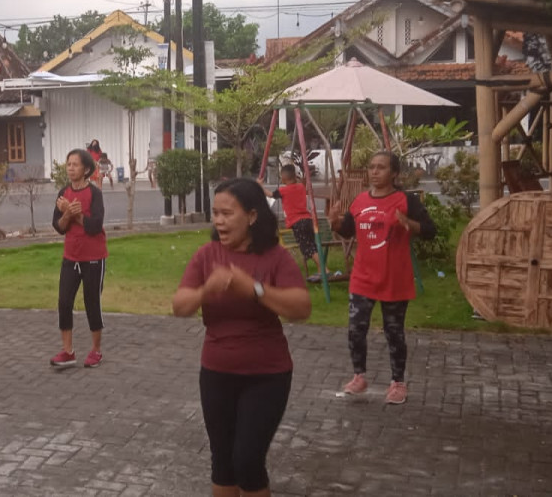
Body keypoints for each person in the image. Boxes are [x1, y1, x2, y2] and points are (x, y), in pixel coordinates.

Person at [172, 178, 311, 497]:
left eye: (227, 213)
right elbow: (180, 306)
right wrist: (207, 289)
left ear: (251, 216)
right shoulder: (207, 256)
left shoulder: (274, 257)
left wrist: (254, 289)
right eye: (215, 213)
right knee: (223, 463)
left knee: (248, 460)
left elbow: (301, 307)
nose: (219, 221)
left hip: (267, 375)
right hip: (217, 372)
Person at [328, 151, 436, 405]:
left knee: (394, 332)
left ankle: (397, 383)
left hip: (394, 278)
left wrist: (411, 223)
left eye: (381, 167)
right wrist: (334, 223)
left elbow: (431, 230)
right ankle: (359, 377)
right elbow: (349, 230)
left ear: (394, 173)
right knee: (356, 330)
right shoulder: (360, 201)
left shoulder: (405, 200)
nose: (374, 172)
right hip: (363, 278)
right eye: (371, 167)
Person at [50, 149, 107, 369]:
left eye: (75, 164)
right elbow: (59, 227)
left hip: (93, 257)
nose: (71, 168)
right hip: (70, 256)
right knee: (64, 302)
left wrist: (76, 214)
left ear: (86, 169)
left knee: (92, 302)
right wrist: (66, 214)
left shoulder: (94, 194)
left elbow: (94, 227)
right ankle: (68, 351)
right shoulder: (63, 193)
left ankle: (96, 350)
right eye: (68, 164)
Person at [264, 164, 321, 281]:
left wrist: (260, 186)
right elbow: (301, 182)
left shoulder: (283, 190)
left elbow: (271, 195)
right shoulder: (300, 186)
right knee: (313, 246)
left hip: (298, 223)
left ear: (283, 178)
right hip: (308, 220)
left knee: (308, 248)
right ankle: (321, 270)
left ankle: (325, 270)